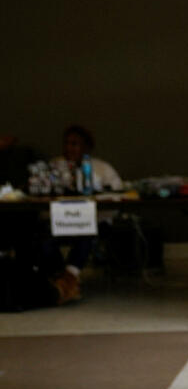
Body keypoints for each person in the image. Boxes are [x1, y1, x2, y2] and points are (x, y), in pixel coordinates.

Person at [45, 125, 124, 303]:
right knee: (44, 239)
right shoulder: (55, 167)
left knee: (86, 232)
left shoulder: (101, 168)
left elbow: (117, 196)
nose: (69, 148)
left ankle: (68, 279)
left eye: (75, 144)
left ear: (86, 147)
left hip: (94, 221)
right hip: (62, 221)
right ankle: (62, 278)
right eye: (66, 143)